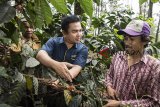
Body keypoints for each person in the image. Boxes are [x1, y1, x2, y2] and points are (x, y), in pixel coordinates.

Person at [103, 20, 160, 107]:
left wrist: (120, 104)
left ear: (144, 41)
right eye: (126, 38)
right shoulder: (117, 57)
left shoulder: (154, 67)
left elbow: (154, 102)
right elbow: (109, 75)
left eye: (132, 39)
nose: (127, 43)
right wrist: (109, 87)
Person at [36, 15, 88, 107]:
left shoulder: (83, 49)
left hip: (69, 91)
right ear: (64, 32)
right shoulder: (53, 42)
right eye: (74, 31)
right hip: (46, 88)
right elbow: (40, 54)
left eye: (80, 30)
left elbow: (75, 69)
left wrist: (59, 81)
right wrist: (55, 64)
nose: (79, 34)